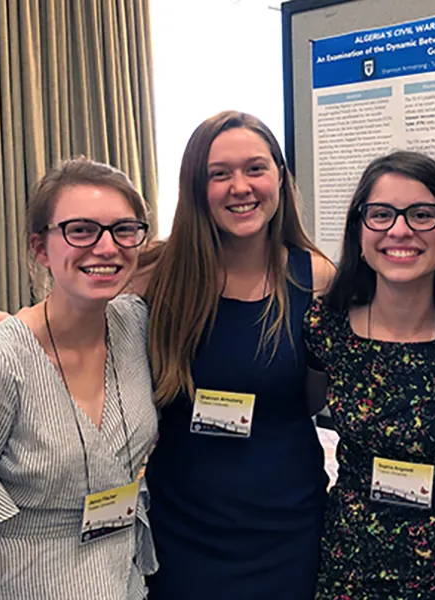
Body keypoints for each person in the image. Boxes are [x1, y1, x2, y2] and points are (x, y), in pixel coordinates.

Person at [139, 111, 335, 599]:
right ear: (195, 187)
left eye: (255, 168)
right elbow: (72, 321)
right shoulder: (154, 276)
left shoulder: (317, 278)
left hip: (285, 525)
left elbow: (312, 398)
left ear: (280, 178)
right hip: (183, 527)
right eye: (219, 174)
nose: (240, 187)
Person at [0, 158, 158, 599]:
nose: (106, 248)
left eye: (123, 230)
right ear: (40, 248)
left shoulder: (136, 325)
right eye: (80, 230)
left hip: (123, 580)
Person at [305, 150, 435, 599]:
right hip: (346, 566)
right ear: (359, 231)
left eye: (421, 215)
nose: (399, 230)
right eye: (380, 215)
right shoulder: (327, 326)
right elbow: (301, 410)